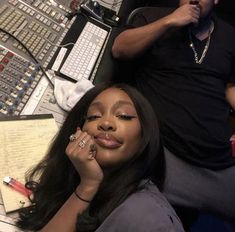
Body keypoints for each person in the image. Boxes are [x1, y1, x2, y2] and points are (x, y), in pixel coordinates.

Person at [112, 0, 235, 229]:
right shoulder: (153, 18)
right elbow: (120, 48)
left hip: (218, 160)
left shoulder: (229, 36)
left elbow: (230, 85)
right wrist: (168, 22)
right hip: (166, 156)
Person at [16, 83, 184, 232]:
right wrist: (88, 184)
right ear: (77, 132)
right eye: (94, 116)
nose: (106, 123)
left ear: (145, 134)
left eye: (124, 116)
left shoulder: (147, 218)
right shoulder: (80, 179)